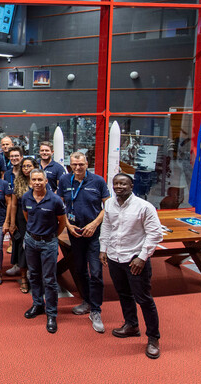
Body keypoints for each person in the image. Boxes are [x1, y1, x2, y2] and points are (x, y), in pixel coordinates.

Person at [100, 173, 163, 359]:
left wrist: (142, 257)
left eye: (123, 184)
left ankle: (153, 338)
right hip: (114, 257)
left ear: (131, 185)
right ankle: (131, 325)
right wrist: (103, 249)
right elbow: (107, 227)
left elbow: (155, 234)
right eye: (116, 184)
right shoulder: (109, 203)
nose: (119, 187)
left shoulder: (144, 207)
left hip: (135, 260)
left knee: (144, 299)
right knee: (123, 294)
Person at [57, 151, 110, 333]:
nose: (77, 168)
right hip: (75, 233)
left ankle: (96, 310)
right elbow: (60, 205)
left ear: (87, 163)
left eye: (81, 164)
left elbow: (107, 207)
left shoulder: (98, 181)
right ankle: (87, 301)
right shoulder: (65, 180)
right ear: (70, 165)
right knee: (79, 270)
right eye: (74, 165)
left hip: (94, 233)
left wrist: (95, 224)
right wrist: (68, 225)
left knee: (95, 272)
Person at [23, 169, 67, 334]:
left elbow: (62, 222)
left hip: (48, 243)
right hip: (31, 240)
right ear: (30, 182)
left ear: (46, 181)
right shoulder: (27, 197)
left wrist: (52, 237)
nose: (37, 183)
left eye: (40, 180)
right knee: (33, 275)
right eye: (34, 180)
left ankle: (51, 314)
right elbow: (27, 216)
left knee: (49, 279)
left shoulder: (55, 200)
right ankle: (37, 305)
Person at [5, 152, 36, 293]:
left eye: (29, 166)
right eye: (24, 166)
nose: (26, 169)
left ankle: (34, 275)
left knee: (35, 247)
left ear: (35, 167)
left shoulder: (38, 180)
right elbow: (13, 204)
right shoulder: (18, 181)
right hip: (21, 219)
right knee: (22, 248)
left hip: (37, 219)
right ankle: (23, 278)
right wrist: (12, 223)